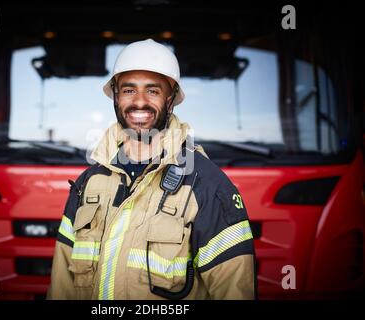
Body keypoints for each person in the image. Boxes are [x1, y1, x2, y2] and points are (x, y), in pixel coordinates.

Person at [47, 39, 256, 300]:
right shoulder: (89, 183)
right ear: (115, 96)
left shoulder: (208, 186)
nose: (140, 102)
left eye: (153, 91)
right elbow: (62, 289)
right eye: (129, 90)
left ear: (170, 100)